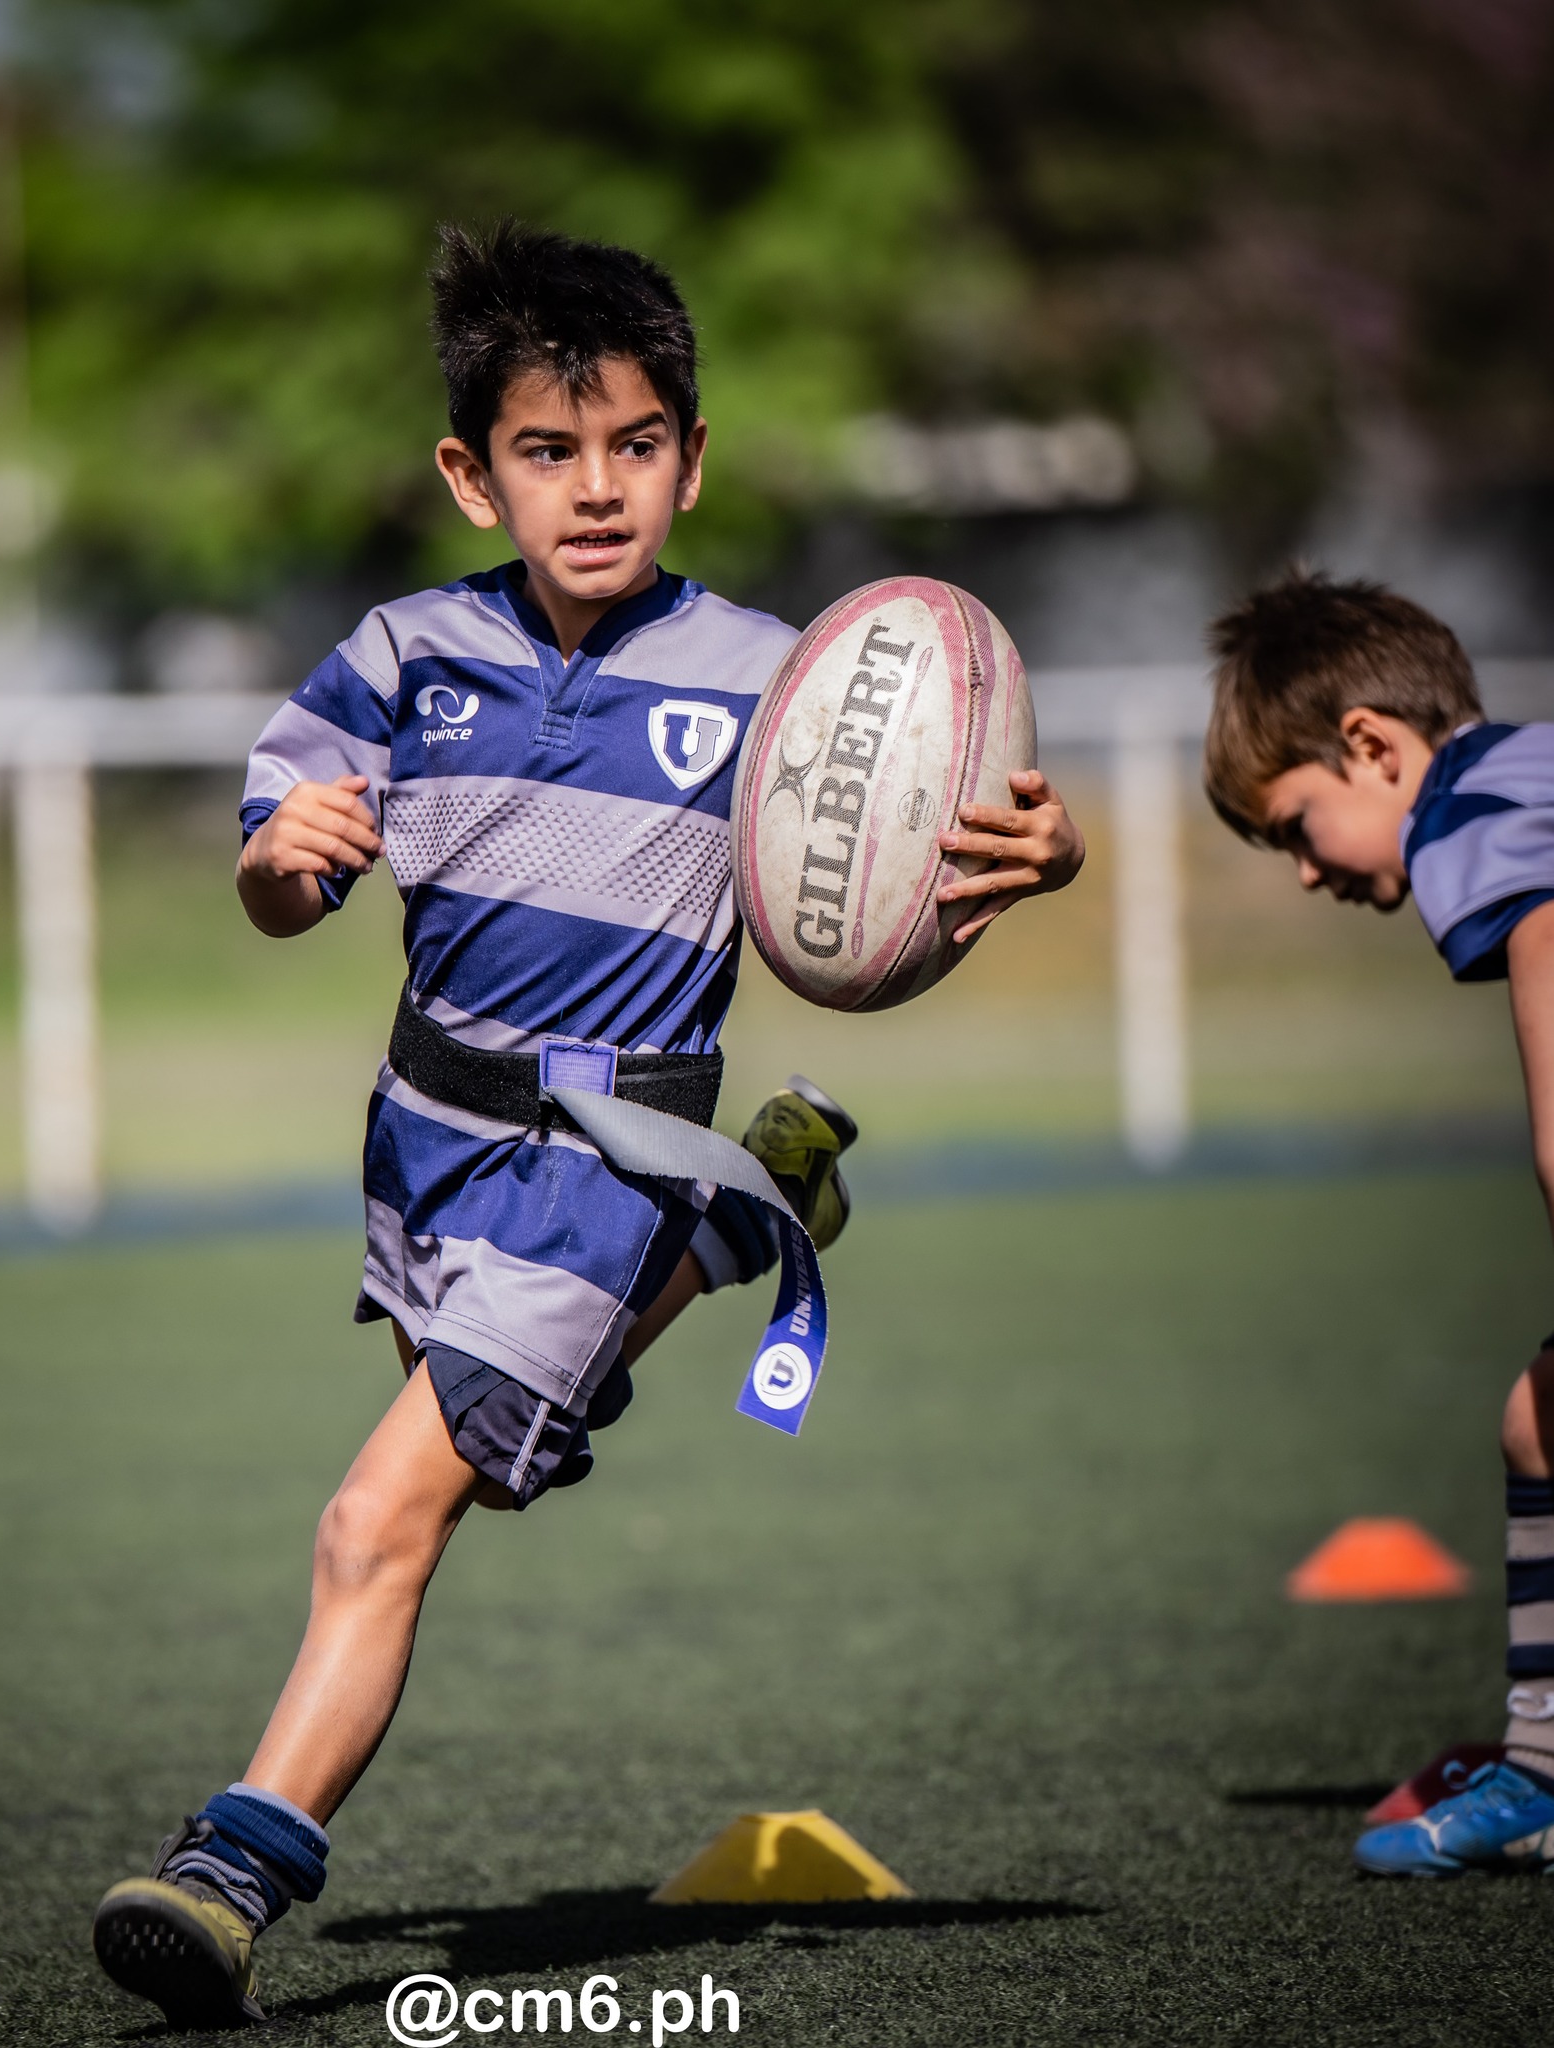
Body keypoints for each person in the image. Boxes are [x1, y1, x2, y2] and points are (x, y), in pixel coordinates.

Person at [90, 220, 1087, 2027]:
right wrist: (278, 859)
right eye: (550, 452)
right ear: (474, 472)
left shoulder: (782, 681)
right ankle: (748, 1216)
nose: (600, 488)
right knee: (486, 1452)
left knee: (378, 1519)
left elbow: (943, 831)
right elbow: (279, 868)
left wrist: (1037, 850)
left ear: (693, 461)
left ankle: (236, 1864)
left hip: (599, 1157)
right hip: (422, 1137)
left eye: (638, 445)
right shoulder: (400, 653)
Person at [1202, 569, 1554, 1877]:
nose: (1301, 872)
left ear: (1372, 749)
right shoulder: (1531, 771)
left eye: (1295, 824)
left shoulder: (1476, 822)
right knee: (1542, 1416)